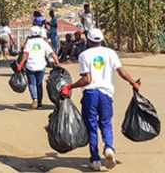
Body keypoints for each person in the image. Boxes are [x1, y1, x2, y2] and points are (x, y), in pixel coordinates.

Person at [60, 28, 140, 171]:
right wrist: (133, 82)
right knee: (106, 124)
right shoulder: (110, 53)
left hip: (90, 94)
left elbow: (87, 79)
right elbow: (121, 71)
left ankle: (95, 160)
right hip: (105, 95)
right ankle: (109, 148)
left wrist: (70, 86)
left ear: (89, 41)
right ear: (101, 40)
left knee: (91, 127)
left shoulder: (84, 55)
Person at [17, 26, 60, 109]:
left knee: (31, 84)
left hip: (30, 66)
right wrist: (57, 62)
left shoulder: (29, 42)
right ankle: (40, 103)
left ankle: (34, 98)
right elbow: (52, 53)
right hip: (41, 66)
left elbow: (25, 54)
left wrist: (21, 64)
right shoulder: (43, 42)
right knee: (39, 84)